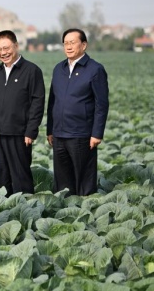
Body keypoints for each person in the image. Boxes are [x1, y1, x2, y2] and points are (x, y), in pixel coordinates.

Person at [47, 28, 109, 196]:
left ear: (84, 45)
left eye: (72, 42)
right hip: (59, 134)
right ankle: (65, 209)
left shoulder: (95, 69)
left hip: (81, 133)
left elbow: (101, 104)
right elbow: (53, 100)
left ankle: (87, 209)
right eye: (66, 43)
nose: (68, 46)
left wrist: (97, 134)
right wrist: (50, 130)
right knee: (62, 180)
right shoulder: (58, 69)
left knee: (84, 179)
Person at [0, 30, 45, 195]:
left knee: (21, 177)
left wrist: (31, 130)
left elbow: (37, 103)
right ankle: (1, 213)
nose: (3, 53)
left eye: (6, 48)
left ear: (16, 46)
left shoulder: (32, 71)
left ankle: (24, 210)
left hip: (20, 134)